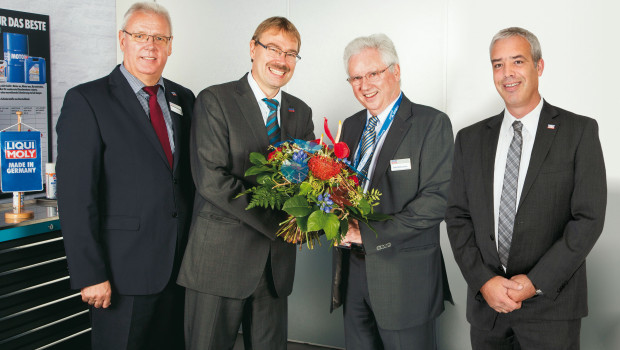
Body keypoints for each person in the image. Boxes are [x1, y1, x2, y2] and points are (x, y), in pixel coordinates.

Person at [446, 27, 607, 349]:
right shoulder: (470, 139)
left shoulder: (578, 132)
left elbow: (588, 219)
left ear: (539, 66)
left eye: (517, 61)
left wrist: (535, 283)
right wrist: (485, 281)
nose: (507, 73)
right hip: (487, 309)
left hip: (552, 309)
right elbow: (457, 217)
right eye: (497, 64)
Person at [56, 2, 194, 349]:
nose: (151, 45)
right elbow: (75, 197)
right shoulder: (87, 100)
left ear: (171, 45)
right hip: (121, 276)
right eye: (140, 35)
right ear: (123, 40)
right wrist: (91, 274)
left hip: (179, 271)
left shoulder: (184, 99)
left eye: (160, 38)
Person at [176, 16, 314, 350]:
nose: (281, 60)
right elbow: (212, 180)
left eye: (291, 53)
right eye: (273, 48)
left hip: (274, 270)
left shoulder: (301, 111)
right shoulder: (215, 101)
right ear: (253, 49)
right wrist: (282, 224)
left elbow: (306, 180)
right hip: (219, 264)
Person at [330, 33, 454, 350]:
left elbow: (437, 202)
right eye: (356, 78)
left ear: (395, 71)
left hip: (405, 280)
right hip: (353, 275)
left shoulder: (431, 123)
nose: (364, 85)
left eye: (373, 74)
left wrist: (366, 235)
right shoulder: (352, 125)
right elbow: (339, 187)